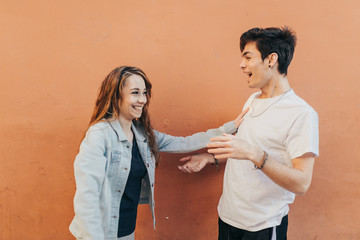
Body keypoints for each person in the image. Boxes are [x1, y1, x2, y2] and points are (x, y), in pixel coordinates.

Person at [69, 66, 247, 240]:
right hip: (100, 232)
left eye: (144, 93)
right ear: (116, 97)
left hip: (125, 231)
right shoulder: (99, 135)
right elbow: (87, 195)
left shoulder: (142, 133)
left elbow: (184, 142)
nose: (143, 100)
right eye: (135, 93)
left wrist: (230, 127)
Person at [178, 27, 319, 240]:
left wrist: (256, 154)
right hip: (228, 217)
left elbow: (301, 184)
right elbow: (243, 148)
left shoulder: (302, 114)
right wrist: (210, 158)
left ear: (271, 59)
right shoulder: (253, 100)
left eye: (248, 57)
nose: (241, 65)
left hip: (262, 225)